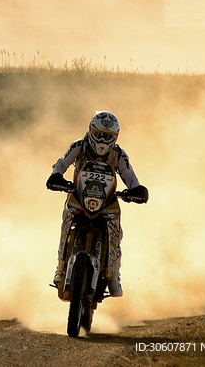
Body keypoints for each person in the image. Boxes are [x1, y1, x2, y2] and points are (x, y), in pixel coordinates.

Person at [46, 110, 148, 297]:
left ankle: (114, 277)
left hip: (108, 200)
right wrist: (56, 176)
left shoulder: (118, 154)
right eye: (99, 134)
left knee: (116, 233)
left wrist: (136, 190)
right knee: (66, 223)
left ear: (115, 137)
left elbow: (129, 176)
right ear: (91, 130)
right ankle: (60, 268)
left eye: (107, 136)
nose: (102, 141)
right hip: (78, 196)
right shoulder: (78, 146)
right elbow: (62, 162)